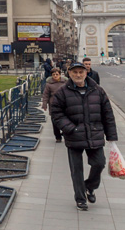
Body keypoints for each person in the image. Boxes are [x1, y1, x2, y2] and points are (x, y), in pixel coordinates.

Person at [50, 60, 118, 210]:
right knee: (77, 170)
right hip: (74, 136)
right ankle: (80, 199)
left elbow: (108, 114)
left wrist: (111, 136)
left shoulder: (98, 90)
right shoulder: (62, 92)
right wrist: (70, 129)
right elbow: (56, 114)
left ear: (86, 73)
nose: (78, 75)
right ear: (69, 74)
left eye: (81, 72)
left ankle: (89, 186)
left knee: (99, 163)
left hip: (95, 134)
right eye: (75, 72)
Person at [42, 67, 66, 141]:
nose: (55, 76)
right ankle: (58, 137)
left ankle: (65, 133)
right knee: (55, 121)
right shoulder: (49, 84)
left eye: (57, 74)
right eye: (53, 74)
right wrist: (44, 105)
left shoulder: (65, 82)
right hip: (53, 104)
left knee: (65, 120)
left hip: (64, 104)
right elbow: (46, 95)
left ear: (60, 74)